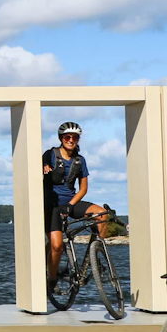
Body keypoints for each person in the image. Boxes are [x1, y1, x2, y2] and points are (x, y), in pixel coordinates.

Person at [43, 122, 107, 289]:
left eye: (75, 137)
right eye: (67, 137)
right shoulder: (50, 154)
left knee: (102, 214)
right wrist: (44, 169)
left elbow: (83, 188)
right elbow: (40, 169)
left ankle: (96, 256)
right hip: (52, 205)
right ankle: (52, 279)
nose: (71, 140)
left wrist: (71, 205)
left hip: (71, 202)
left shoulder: (80, 160)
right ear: (61, 138)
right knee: (56, 246)